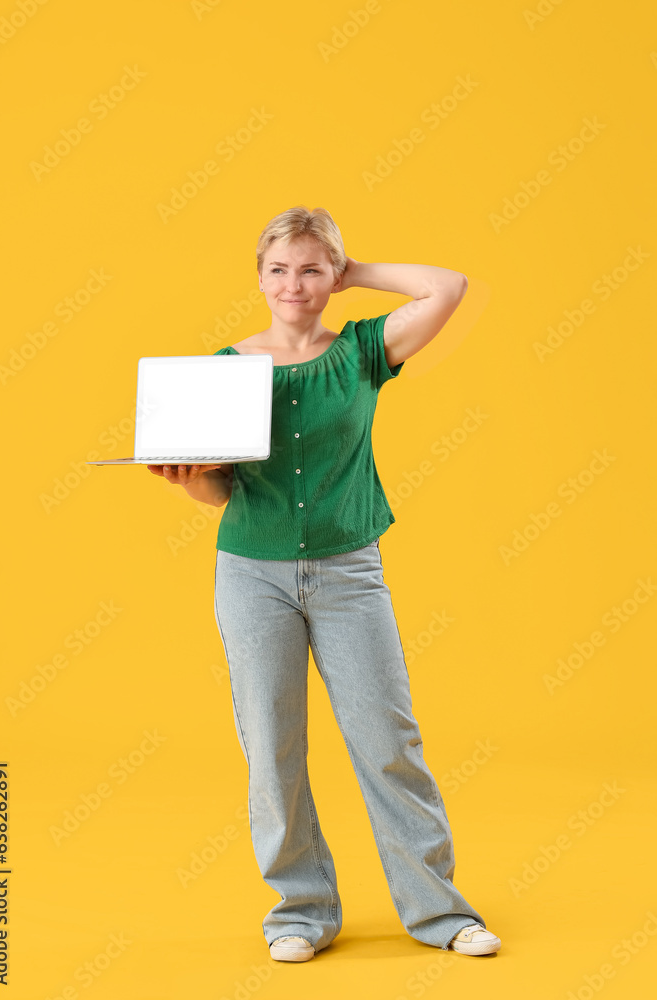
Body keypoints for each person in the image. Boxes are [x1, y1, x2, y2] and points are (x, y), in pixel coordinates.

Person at [148, 206, 501, 962]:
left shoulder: (364, 352)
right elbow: (218, 493)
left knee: (387, 742)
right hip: (251, 577)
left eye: (311, 268)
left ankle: (440, 914)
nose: (293, 284)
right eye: (278, 269)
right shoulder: (224, 370)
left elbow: (448, 287)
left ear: (330, 276)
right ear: (259, 277)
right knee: (271, 749)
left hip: (349, 572)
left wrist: (357, 273)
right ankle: (299, 914)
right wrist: (189, 482)